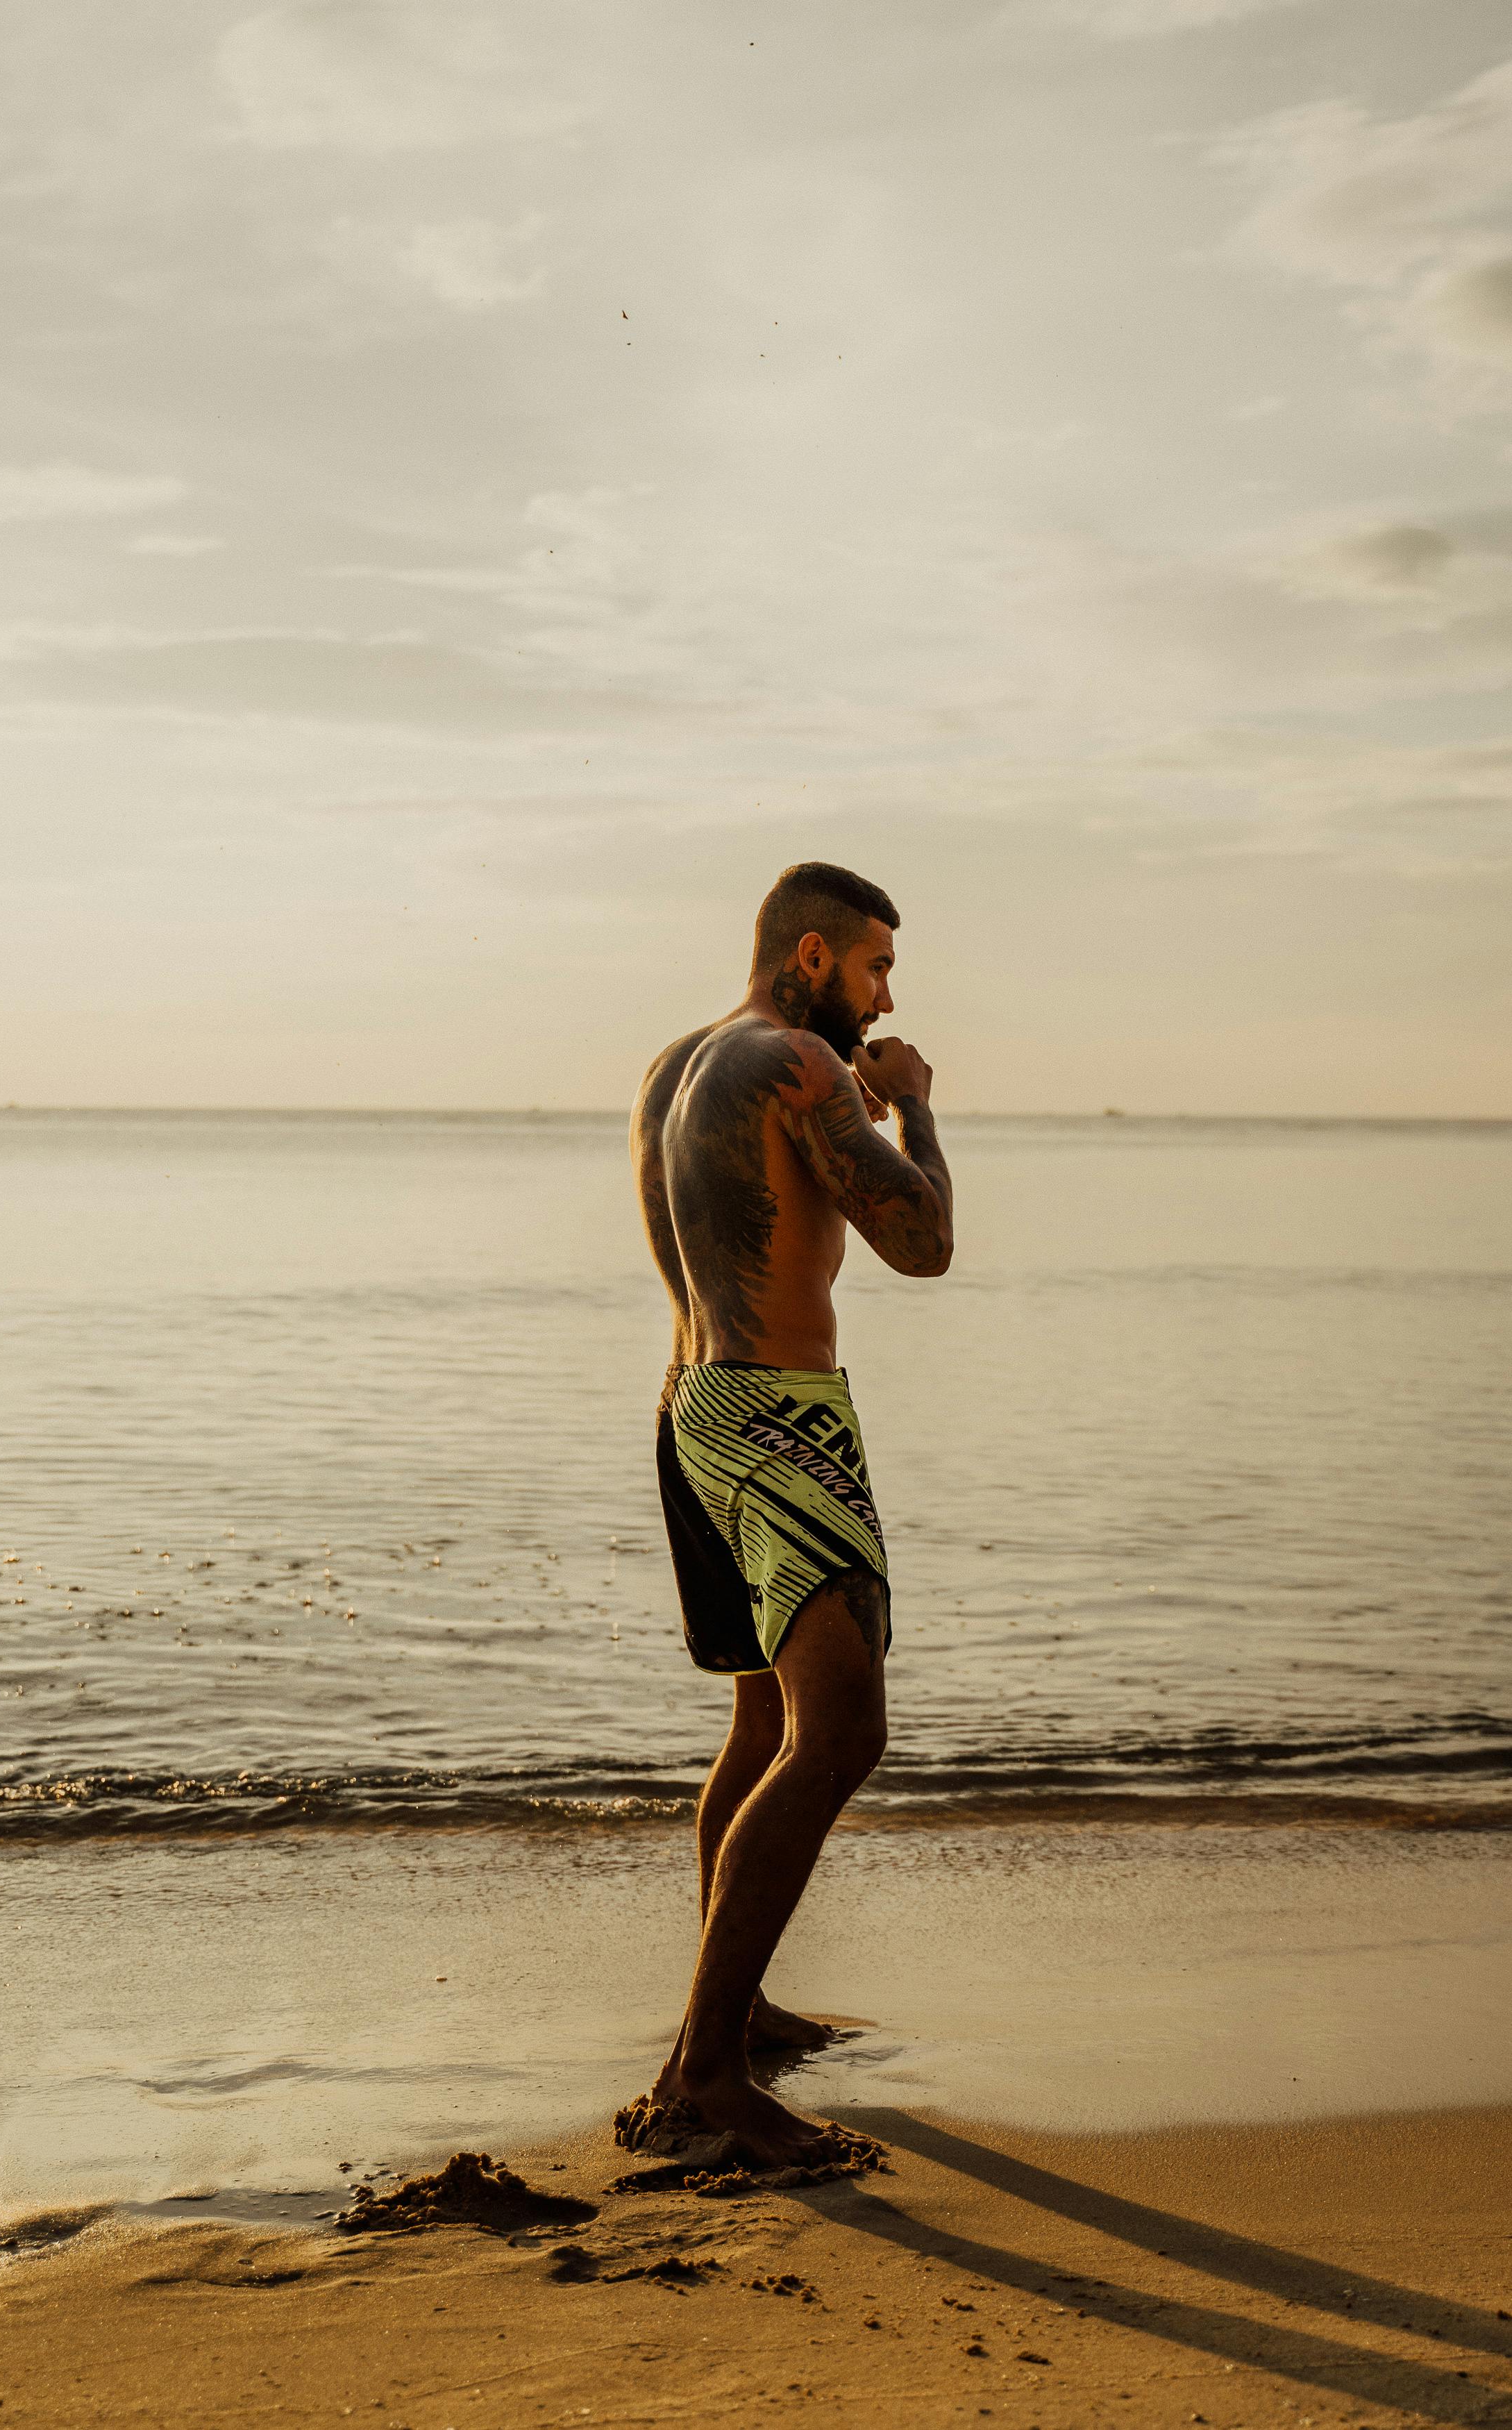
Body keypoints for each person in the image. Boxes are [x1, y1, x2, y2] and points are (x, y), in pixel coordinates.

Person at [625, 860, 954, 2165]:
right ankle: (702, 2073)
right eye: (873, 969)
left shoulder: (677, 1063)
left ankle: (738, 2012)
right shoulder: (798, 1071)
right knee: (840, 1734)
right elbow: (920, 1243)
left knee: (761, 1715)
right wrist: (918, 1113)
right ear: (811, 958)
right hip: (776, 1415)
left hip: (688, 1403)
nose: (882, 1003)